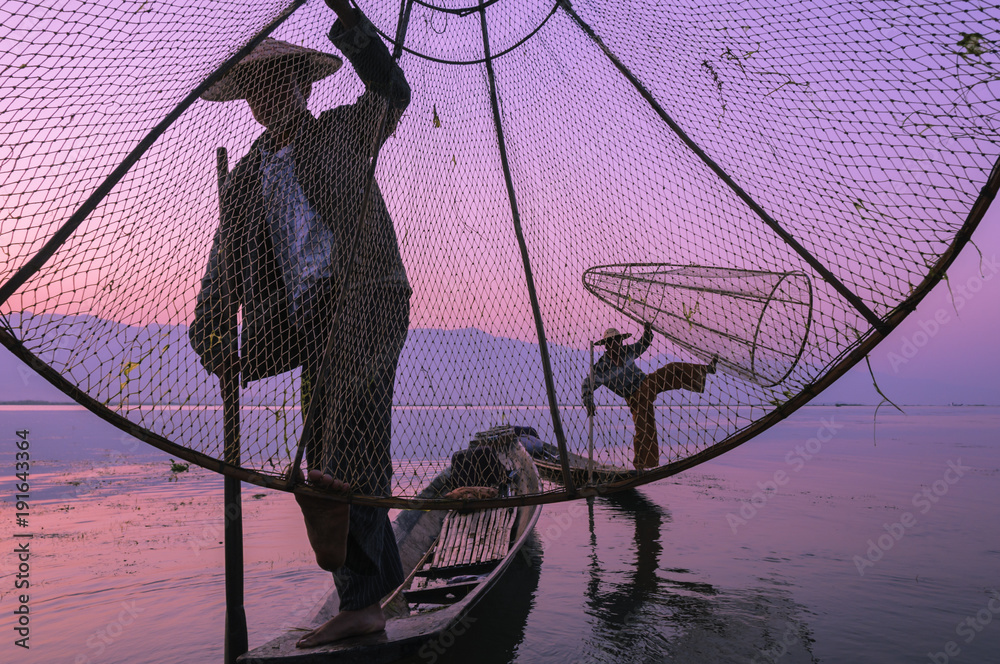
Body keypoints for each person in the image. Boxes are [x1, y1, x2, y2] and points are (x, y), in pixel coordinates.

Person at [188, 0, 410, 647]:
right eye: (257, 87)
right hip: (302, 323)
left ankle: (365, 602)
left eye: (280, 81)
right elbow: (222, 269)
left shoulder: (346, 130)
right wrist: (209, 336)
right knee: (322, 460)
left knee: (344, 446)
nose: (269, 95)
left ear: (305, 85)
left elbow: (394, 91)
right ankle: (377, 589)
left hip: (367, 300)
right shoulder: (247, 177)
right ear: (249, 101)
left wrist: (352, 21)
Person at [582, 323, 716, 470]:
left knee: (671, 369)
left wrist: (647, 331)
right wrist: (589, 402)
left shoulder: (628, 351)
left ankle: (706, 370)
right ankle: (643, 464)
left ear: (621, 341)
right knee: (644, 427)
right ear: (606, 345)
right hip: (633, 397)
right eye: (611, 342)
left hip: (646, 383)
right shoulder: (601, 367)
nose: (616, 344)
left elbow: (643, 344)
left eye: (618, 340)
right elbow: (587, 385)